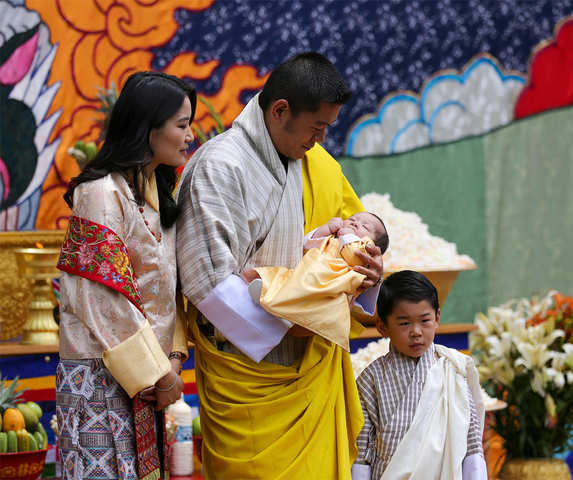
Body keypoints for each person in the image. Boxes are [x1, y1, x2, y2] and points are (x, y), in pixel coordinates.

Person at [176, 52, 383, 479]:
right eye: (317, 127)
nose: (321, 139)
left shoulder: (311, 162)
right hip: (249, 379)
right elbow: (208, 285)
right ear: (280, 110)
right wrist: (305, 319)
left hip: (311, 362)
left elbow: (339, 239)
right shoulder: (220, 166)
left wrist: (364, 269)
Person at [56, 71, 194, 480]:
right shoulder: (101, 193)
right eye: (182, 125)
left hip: (147, 378)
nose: (189, 136)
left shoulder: (154, 194)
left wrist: (172, 360)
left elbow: (168, 292)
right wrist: (157, 373)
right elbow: (101, 296)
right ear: (147, 128)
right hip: (100, 375)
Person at [353, 270, 487, 480]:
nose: (416, 331)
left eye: (424, 320)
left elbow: (471, 443)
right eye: (404, 323)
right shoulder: (371, 379)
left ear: (437, 318)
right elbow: (361, 451)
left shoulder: (453, 370)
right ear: (382, 326)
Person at [245, 211, 389, 351]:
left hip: (332, 286)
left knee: (317, 309)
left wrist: (347, 235)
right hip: (309, 273)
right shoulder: (334, 238)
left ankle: (285, 316)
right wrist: (326, 229)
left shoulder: (363, 247)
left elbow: (354, 255)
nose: (355, 223)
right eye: (352, 219)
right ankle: (266, 293)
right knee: (279, 279)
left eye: (365, 227)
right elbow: (307, 243)